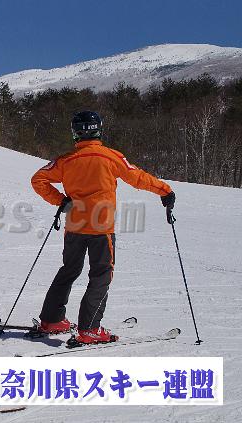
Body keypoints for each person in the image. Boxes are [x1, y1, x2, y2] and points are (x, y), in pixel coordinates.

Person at [31, 111, 175, 345]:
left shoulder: (66, 160)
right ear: (99, 130)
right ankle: (89, 329)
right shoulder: (110, 157)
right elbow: (138, 177)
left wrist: (60, 200)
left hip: (75, 226)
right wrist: (165, 191)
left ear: (75, 133)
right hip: (101, 228)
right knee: (101, 275)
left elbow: (38, 179)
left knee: (69, 270)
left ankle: (52, 320)